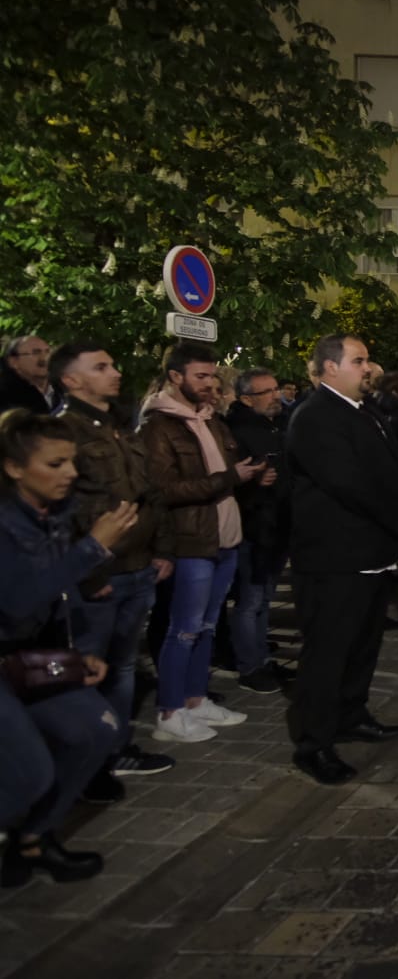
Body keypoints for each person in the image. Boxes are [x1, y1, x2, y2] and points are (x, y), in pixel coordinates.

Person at [1, 411, 136, 887]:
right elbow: (17, 602)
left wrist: (74, 656)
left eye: (71, 462)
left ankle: (34, 839)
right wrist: (93, 549)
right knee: (29, 773)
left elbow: (51, 599)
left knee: (95, 731)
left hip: (26, 656)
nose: (71, 474)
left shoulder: (52, 513)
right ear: (14, 467)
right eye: (56, 464)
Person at [284, 335, 398, 785]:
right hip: (335, 557)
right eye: (358, 361)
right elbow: (347, 483)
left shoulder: (366, 411)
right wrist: (397, 518)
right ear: (329, 368)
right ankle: (315, 743)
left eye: (366, 360)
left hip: (372, 552)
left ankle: (352, 714)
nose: (367, 368)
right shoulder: (315, 417)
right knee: (328, 652)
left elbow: (397, 465)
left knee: (363, 644)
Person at [51, 342, 176, 798]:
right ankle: (85, 763)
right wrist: (89, 576)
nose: (115, 372)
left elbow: (150, 494)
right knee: (89, 669)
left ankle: (116, 747)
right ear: (71, 379)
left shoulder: (121, 426)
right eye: (100, 367)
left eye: (113, 362)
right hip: (100, 576)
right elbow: (61, 513)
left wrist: (161, 549)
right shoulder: (62, 432)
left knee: (123, 667)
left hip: (139, 568)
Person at [141, 343, 263, 743]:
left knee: (208, 627)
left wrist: (248, 474)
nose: (211, 384)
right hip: (192, 541)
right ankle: (169, 711)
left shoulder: (212, 419)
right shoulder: (159, 426)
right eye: (201, 376)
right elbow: (164, 489)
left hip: (225, 538)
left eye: (212, 376)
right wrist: (230, 479)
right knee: (184, 629)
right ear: (175, 377)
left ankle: (195, 699)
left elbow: (225, 469)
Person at [224, 367, 293, 694]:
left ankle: (262, 658)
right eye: (267, 392)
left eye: (276, 388)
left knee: (265, 597)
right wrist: (253, 482)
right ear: (246, 399)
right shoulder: (236, 430)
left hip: (277, 524)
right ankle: (249, 666)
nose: (275, 396)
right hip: (253, 527)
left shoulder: (276, 424)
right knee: (250, 600)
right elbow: (228, 480)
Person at [1, 336, 53, 415]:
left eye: (48, 351)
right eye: (36, 352)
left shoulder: (63, 388)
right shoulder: (4, 395)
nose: (45, 358)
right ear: (13, 362)